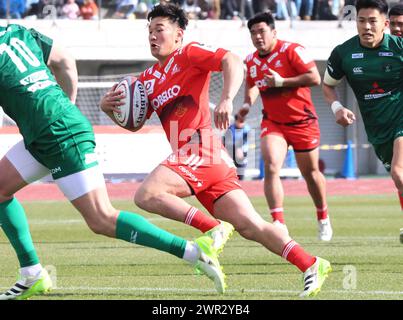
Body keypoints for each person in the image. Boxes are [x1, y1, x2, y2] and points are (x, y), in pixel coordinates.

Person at [100, 3, 332, 297]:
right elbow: (134, 123)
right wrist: (109, 110)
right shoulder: (146, 80)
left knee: (147, 195)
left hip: (202, 148)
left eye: (160, 29)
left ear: (179, 34)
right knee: (251, 226)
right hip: (200, 159)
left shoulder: (188, 53)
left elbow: (233, 60)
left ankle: (213, 229)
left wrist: (226, 99)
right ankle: (311, 264)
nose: (153, 36)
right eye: (149, 31)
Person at [0, 24, 226, 300]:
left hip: (58, 134)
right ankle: (32, 273)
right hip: (50, 127)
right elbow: (64, 60)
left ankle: (193, 252)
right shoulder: (16, 31)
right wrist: (68, 103)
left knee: (101, 218)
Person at [237, 11, 333, 241]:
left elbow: (314, 77)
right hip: (273, 122)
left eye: (262, 31)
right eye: (253, 33)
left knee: (310, 173)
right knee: (271, 166)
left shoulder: (291, 50)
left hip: (303, 122)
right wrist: (247, 105)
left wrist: (282, 82)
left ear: (273, 32)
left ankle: (323, 216)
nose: (258, 37)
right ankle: (279, 222)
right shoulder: (250, 61)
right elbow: (252, 85)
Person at [322, 0, 403, 242]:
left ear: (384, 24)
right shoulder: (343, 53)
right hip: (377, 129)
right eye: (361, 20)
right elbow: (327, 86)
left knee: (399, 173)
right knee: (399, 180)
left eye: (372, 21)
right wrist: (337, 108)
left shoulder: (399, 47)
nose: (366, 26)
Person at [223, 114, 251, 180]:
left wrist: (239, 148)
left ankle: (241, 178)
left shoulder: (246, 129)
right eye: (240, 121)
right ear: (236, 121)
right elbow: (226, 141)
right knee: (231, 165)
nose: (242, 123)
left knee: (240, 165)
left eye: (243, 121)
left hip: (242, 150)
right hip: (232, 149)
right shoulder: (231, 129)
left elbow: (245, 139)